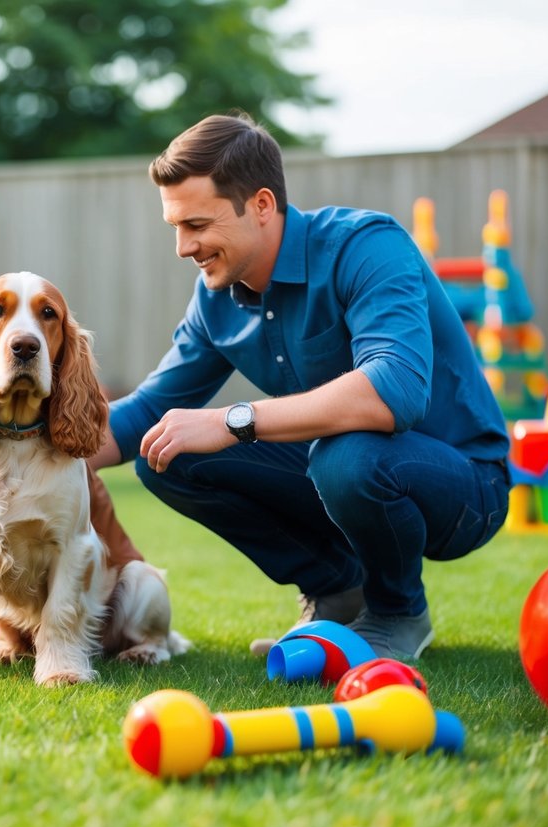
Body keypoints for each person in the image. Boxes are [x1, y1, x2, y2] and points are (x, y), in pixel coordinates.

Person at [89, 113, 511, 660]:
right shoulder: (215, 297)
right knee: (164, 451)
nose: (182, 247)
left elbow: (395, 389)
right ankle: (338, 591)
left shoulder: (366, 246)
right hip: (339, 468)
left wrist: (231, 420)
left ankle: (397, 613)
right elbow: (146, 410)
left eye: (196, 225)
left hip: (465, 486)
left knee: (345, 455)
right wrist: (32, 456)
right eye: (175, 227)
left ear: (261, 205)